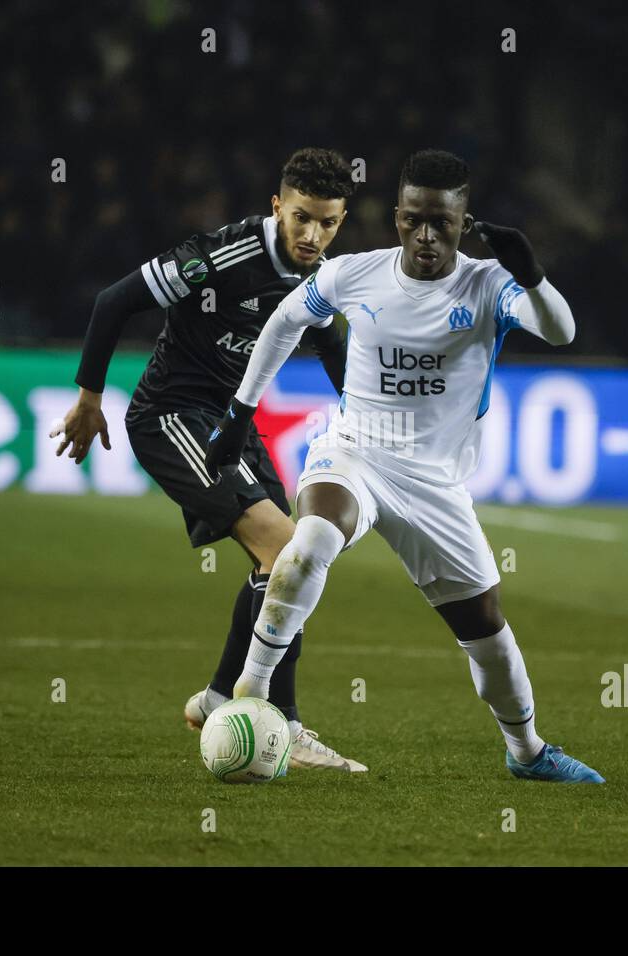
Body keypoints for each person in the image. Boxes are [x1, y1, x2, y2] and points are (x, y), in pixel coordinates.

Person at [206, 149, 602, 783]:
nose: (426, 235)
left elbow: (561, 332)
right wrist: (240, 411)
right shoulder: (355, 274)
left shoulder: (489, 285)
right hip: (355, 453)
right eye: (413, 220)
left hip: (436, 485)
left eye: (441, 224)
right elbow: (284, 321)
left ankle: (527, 751)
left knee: (488, 633)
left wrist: (533, 277)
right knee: (306, 544)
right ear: (395, 217)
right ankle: (248, 696)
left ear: (462, 220)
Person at [52, 148, 365, 770]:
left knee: (290, 559)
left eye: (327, 223)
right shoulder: (218, 256)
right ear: (277, 206)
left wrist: (374, 423)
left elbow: (338, 357)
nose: (312, 235)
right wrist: (89, 398)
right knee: (288, 552)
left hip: (232, 425)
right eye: (301, 217)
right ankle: (287, 723)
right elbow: (112, 302)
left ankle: (222, 694)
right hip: (171, 416)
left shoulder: (320, 279)